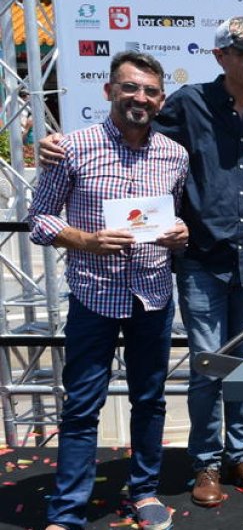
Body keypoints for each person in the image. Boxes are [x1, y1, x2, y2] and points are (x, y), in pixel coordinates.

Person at [28, 51, 189, 530]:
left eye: (150, 91)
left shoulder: (173, 155)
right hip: (94, 296)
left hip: (153, 295)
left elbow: (174, 217)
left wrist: (180, 234)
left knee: (150, 399)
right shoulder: (72, 148)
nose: (140, 97)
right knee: (82, 404)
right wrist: (86, 241)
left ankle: (143, 492)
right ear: (109, 91)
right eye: (130, 88)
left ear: (160, 100)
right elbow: (40, 219)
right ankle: (67, 511)